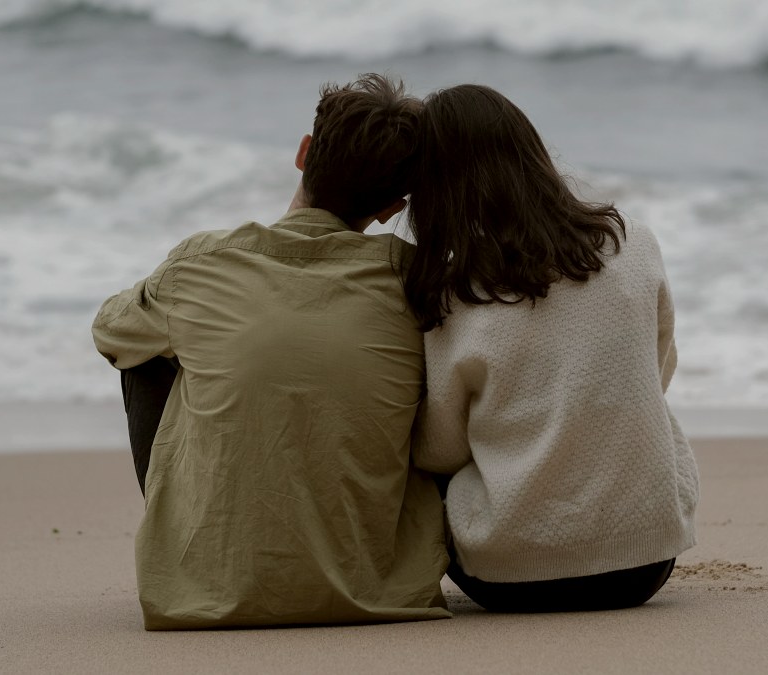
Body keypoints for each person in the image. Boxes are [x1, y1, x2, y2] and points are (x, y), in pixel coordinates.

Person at [92, 74, 450, 629]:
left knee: (145, 349)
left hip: (206, 596)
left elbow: (108, 332)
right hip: (381, 594)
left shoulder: (204, 263)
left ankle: (206, 546)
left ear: (304, 153)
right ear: (389, 208)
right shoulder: (416, 279)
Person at [404, 84, 699, 612]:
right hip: (644, 563)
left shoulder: (452, 292)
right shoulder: (633, 242)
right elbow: (659, 371)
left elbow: (440, 451)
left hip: (507, 576)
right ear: (530, 152)